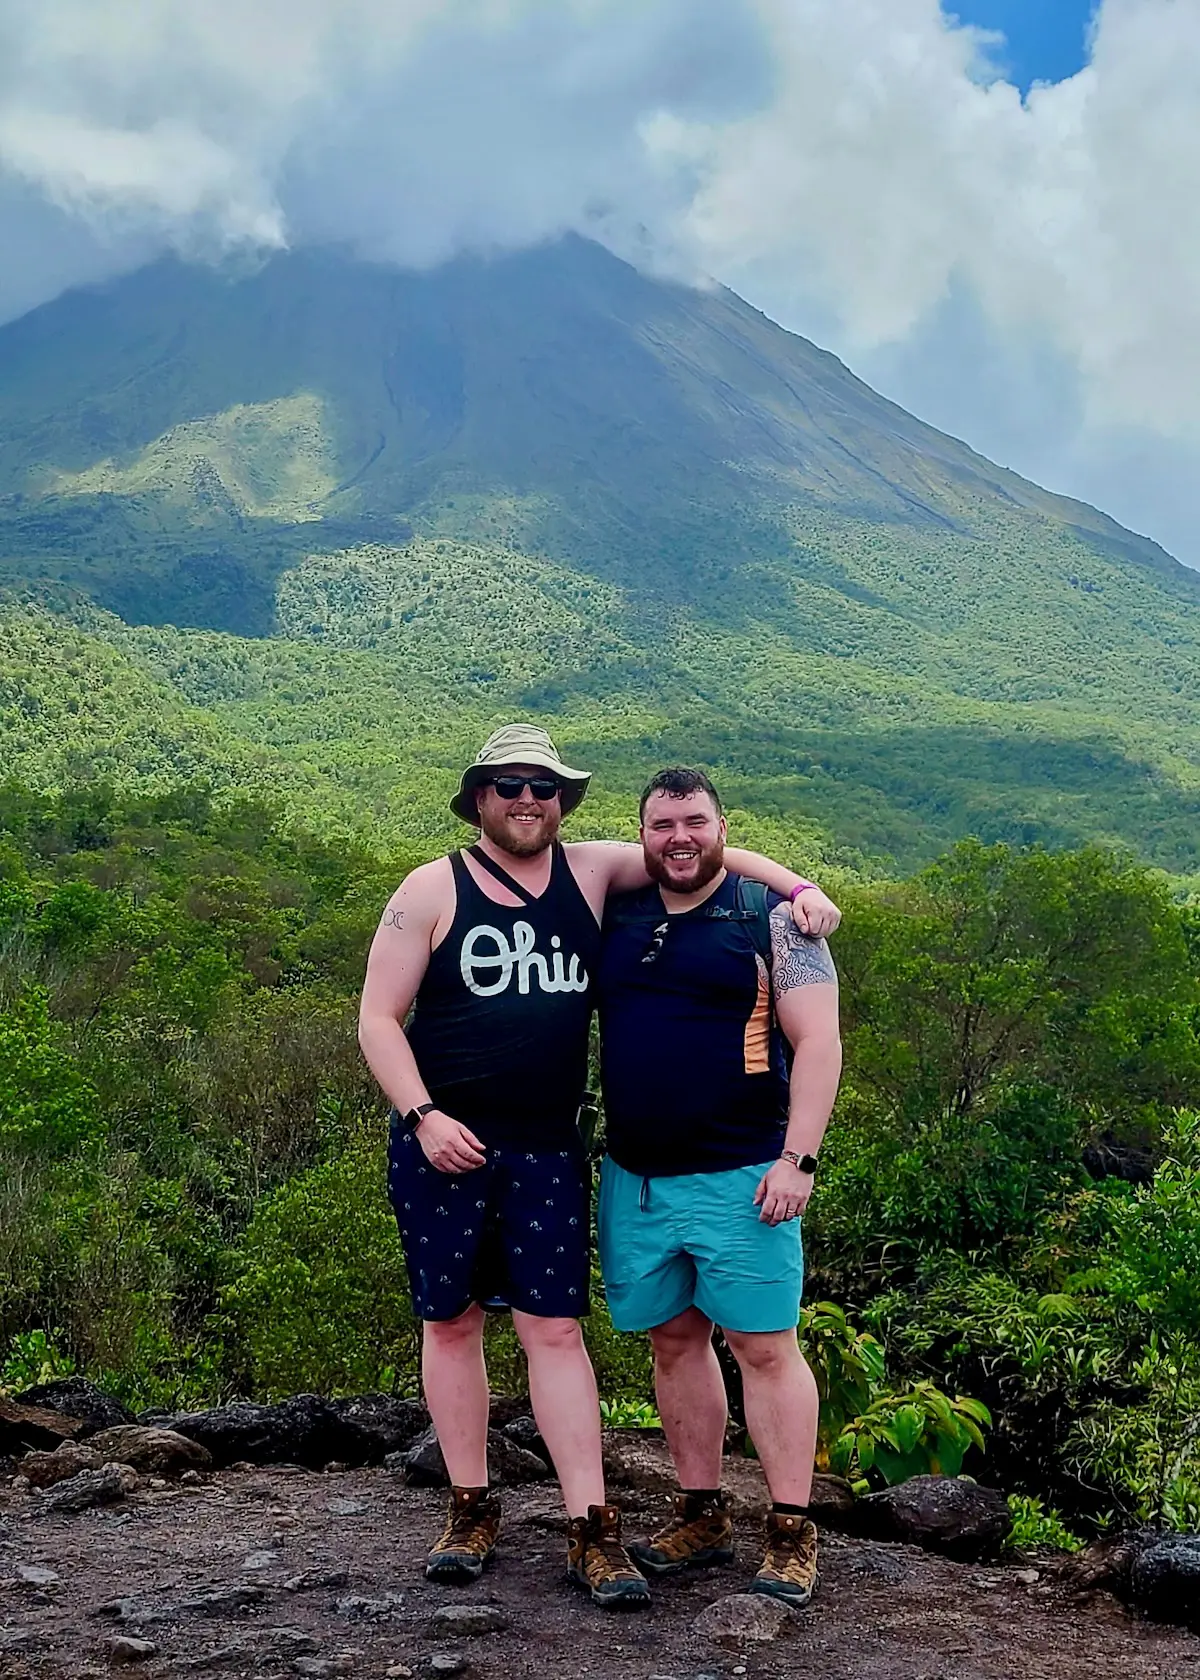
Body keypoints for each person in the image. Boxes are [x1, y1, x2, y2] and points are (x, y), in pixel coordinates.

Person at [357, 724, 840, 1608]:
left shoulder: (601, 878)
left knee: (561, 1329)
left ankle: (599, 1526)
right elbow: (377, 1019)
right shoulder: (433, 888)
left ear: (564, 801)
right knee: (455, 1323)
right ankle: (472, 1506)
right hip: (464, 1147)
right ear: (478, 798)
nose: (527, 799)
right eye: (509, 786)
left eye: (543, 786)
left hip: (563, 1148)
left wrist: (803, 889)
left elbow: (711, 853)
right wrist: (421, 1116)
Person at [595, 766, 842, 1610]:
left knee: (764, 1348)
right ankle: (701, 1511)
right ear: (642, 834)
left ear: (723, 825)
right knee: (673, 1341)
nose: (679, 839)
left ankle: (791, 1527)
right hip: (637, 1176)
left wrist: (798, 1160)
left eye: (694, 822)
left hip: (745, 1174)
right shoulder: (615, 909)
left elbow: (818, 1043)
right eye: (661, 825)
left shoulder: (777, 921)